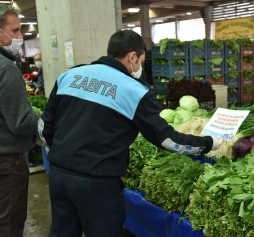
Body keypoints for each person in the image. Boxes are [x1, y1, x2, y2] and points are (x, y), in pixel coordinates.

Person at [38, 30, 223, 237]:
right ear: (132, 56)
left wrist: (62, 157)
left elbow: (45, 127)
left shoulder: (70, 75)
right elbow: (168, 140)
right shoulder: (134, 91)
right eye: (141, 60)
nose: (140, 67)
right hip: (97, 186)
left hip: (59, 178)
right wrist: (208, 143)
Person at [0, 4, 40, 237]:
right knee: (9, 223)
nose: (19, 36)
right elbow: (20, 121)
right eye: (14, 31)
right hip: (8, 162)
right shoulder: (6, 68)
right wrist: (47, 120)